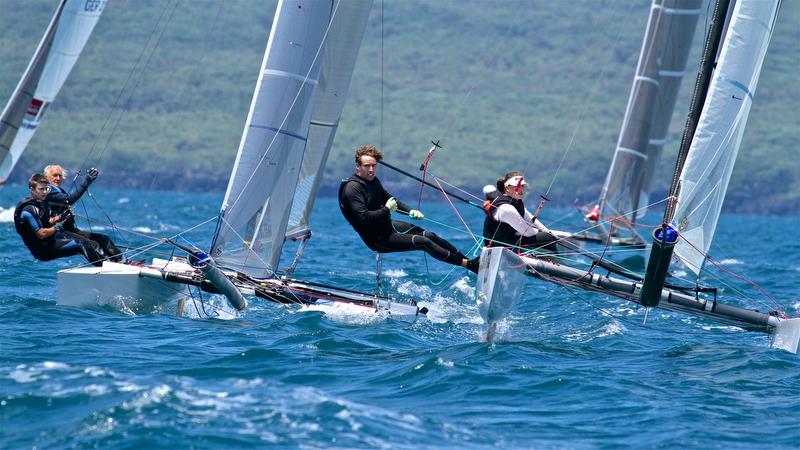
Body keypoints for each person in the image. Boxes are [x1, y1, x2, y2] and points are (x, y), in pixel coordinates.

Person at [339, 145, 479, 273]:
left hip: (387, 227)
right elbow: (363, 219)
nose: (371, 170)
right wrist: (387, 210)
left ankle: (470, 262)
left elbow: (390, 200)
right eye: (367, 166)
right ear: (357, 166)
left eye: (374, 166)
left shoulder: (373, 181)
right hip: (378, 239)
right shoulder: (352, 188)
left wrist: (410, 211)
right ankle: (468, 265)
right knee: (424, 242)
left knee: (429, 235)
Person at [14, 173, 106, 266]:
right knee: (83, 244)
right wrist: (58, 227)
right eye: (41, 189)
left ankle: (109, 264)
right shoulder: (29, 209)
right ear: (32, 190)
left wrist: (61, 217)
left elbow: (46, 222)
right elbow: (41, 234)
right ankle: (106, 268)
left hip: (50, 243)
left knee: (90, 242)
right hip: (42, 250)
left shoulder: (41, 203)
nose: (44, 192)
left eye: (46, 189)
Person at [43, 164, 123, 263]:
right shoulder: (48, 190)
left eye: (60, 176)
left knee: (103, 239)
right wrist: (87, 181)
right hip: (59, 232)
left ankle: (123, 261)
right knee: (91, 244)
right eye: (54, 175)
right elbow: (69, 200)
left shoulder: (59, 190)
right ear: (46, 177)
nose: (58, 178)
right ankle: (108, 264)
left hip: (70, 230)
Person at [482, 171, 559, 254]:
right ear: (507, 188)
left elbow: (532, 220)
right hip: (496, 249)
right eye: (517, 186)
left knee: (548, 236)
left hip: (508, 242)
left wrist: (549, 233)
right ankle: (556, 262)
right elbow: (527, 232)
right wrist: (549, 236)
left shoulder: (517, 203)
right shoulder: (506, 208)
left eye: (522, 186)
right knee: (546, 237)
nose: (521, 189)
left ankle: (554, 261)